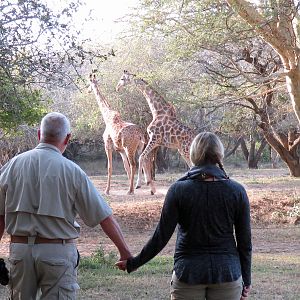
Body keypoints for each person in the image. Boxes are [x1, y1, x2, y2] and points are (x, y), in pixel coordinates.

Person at [0, 112, 132, 299]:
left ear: (39, 134)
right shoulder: (72, 171)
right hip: (57, 252)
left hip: (20, 251)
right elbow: (104, 216)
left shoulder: (11, 166)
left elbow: (0, 216)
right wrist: (125, 252)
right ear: (68, 138)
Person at [116, 132, 252, 300]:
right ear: (219, 154)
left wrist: (134, 263)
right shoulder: (236, 191)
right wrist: (246, 279)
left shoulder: (179, 190)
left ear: (193, 154)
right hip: (228, 274)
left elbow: (161, 236)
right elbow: (245, 242)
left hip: (187, 273)